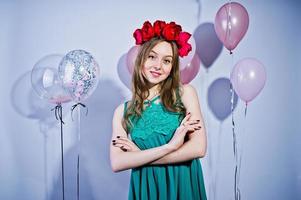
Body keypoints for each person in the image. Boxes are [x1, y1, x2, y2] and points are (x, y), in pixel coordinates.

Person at [110, 20, 207, 200]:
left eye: (167, 61)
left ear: (172, 67)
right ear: (141, 59)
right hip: (147, 189)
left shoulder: (185, 93)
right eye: (152, 57)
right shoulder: (122, 112)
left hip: (183, 185)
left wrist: (139, 156)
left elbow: (198, 148)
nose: (158, 66)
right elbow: (118, 162)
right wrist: (170, 147)